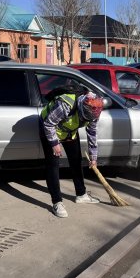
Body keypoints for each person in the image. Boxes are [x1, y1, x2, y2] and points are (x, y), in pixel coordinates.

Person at [41, 90, 103, 218]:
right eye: (85, 117)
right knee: (53, 165)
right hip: (49, 128)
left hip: (69, 130)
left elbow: (92, 133)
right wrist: (54, 143)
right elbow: (48, 123)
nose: (88, 120)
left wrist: (93, 157)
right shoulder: (66, 105)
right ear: (81, 108)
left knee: (76, 160)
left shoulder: (94, 112)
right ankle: (57, 202)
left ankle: (81, 194)